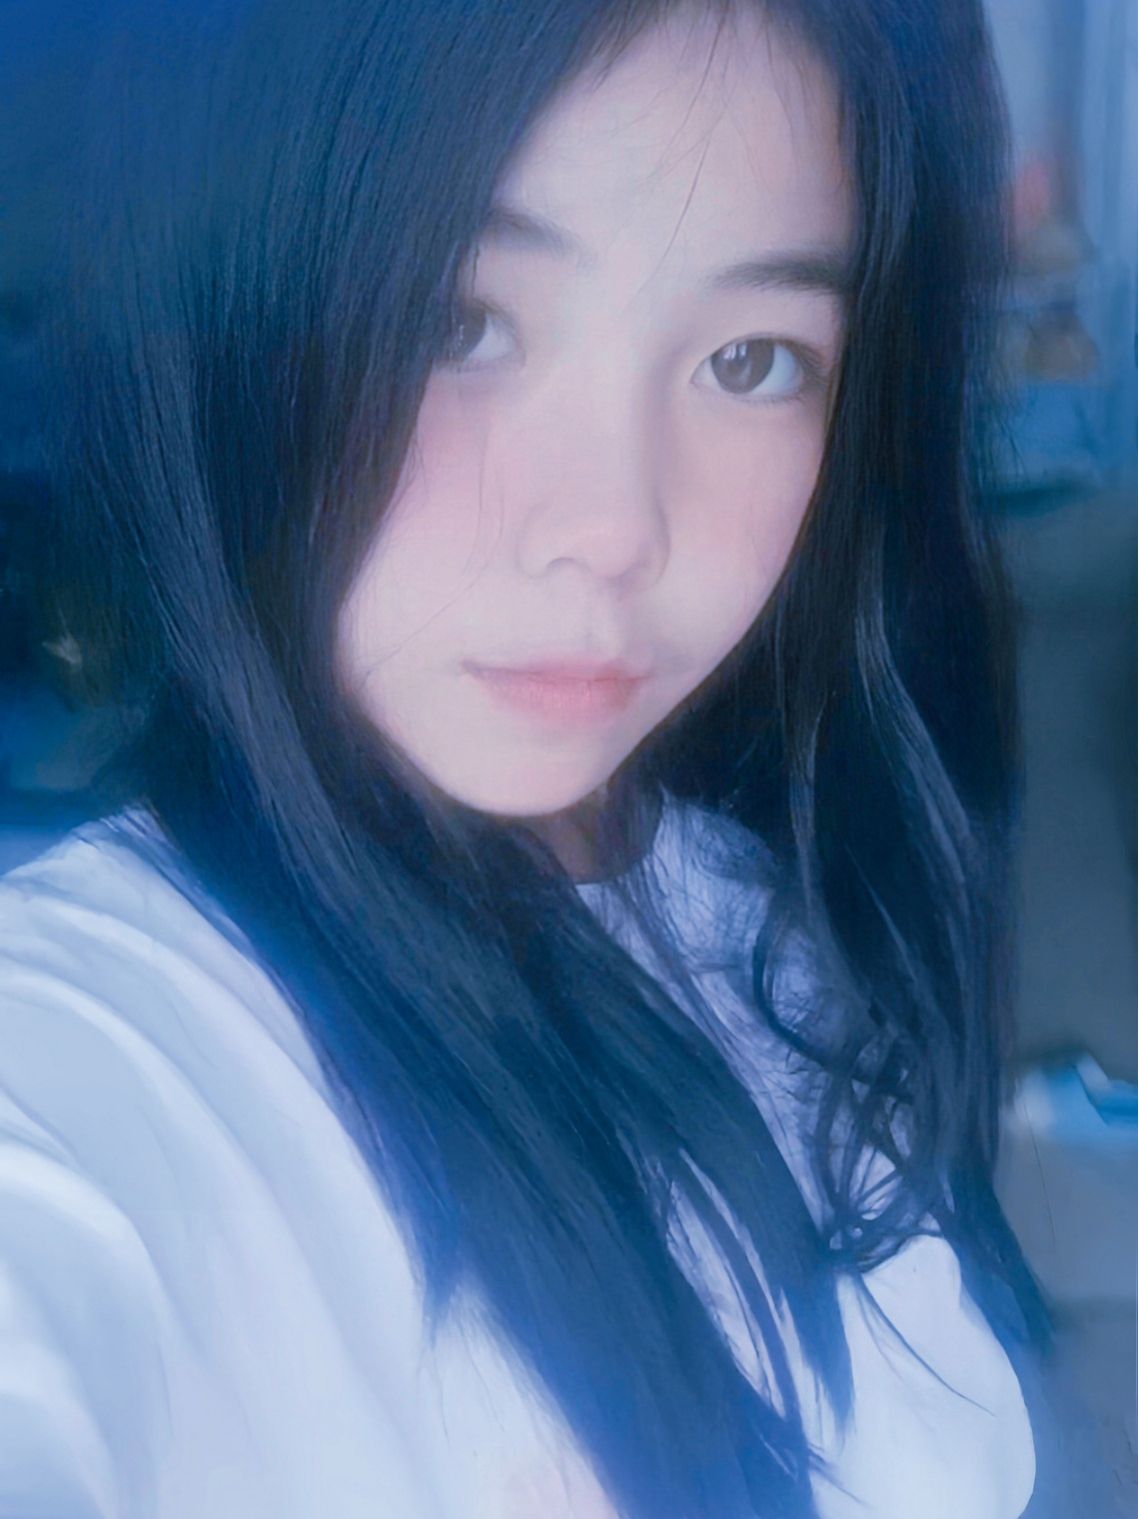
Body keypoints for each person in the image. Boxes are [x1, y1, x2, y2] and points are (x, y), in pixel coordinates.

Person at [0, 0, 1066, 1514]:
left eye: (751, 358)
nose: (614, 528)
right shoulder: (97, 1049)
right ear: (227, 315)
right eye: (460, 325)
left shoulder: (771, 912)